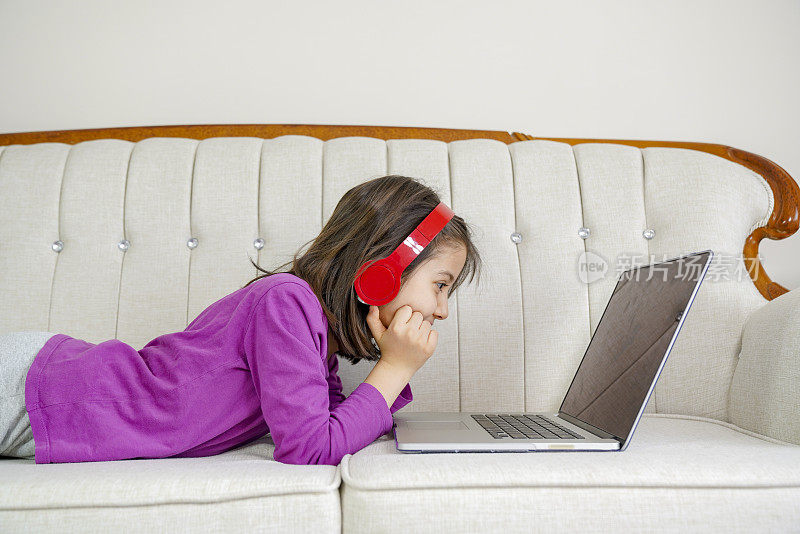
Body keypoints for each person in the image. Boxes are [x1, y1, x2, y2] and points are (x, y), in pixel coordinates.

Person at [0, 175, 482, 466]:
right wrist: (395, 369)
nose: (441, 309)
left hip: (51, 395)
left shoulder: (316, 338)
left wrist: (396, 372)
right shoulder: (286, 304)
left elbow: (338, 427)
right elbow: (311, 448)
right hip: (43, 390)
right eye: (440, 285)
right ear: (383, 269)